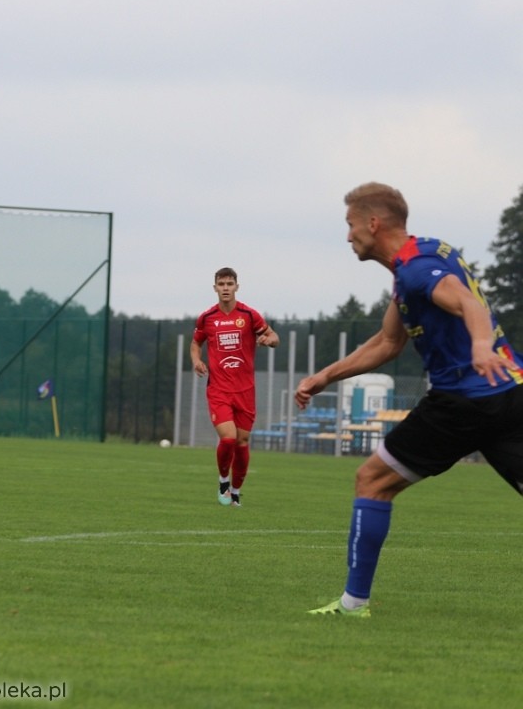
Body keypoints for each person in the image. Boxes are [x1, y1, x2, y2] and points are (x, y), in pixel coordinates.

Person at [297, 182, 522, 618]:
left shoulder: (417, 271)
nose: (348, 236)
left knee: (372, 481)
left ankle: (353, 604)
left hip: (463, 400)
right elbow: (387, 341)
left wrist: (479, 346)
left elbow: (469, 306)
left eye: (350, 225)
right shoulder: (426, 256)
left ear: (373, 223)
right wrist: (324, 377)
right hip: (510, 394)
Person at [191, 267, 280, 507]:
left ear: (237, 287)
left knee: (242, 442)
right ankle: (223, 481)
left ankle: (236, 492)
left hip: (245, 391)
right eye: (222, 284)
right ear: (215, 288)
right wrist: (196, 360)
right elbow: (195, 343)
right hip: (219, 390)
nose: (226, 288)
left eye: (230, 284)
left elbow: (274, 337)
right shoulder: (207, 318)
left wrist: (267, 340)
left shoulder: (249, 315)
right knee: (228, 439)